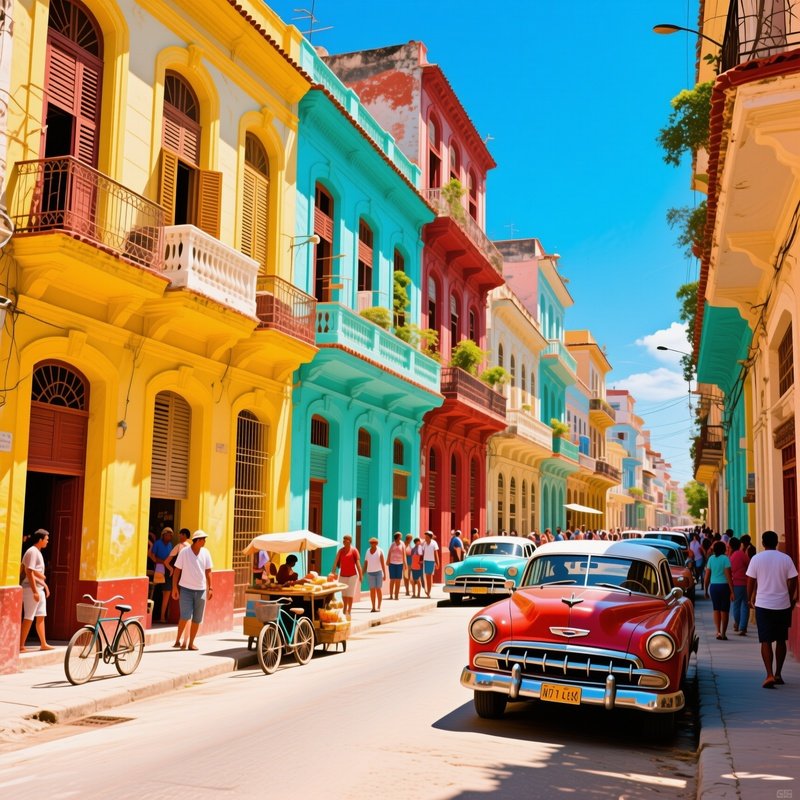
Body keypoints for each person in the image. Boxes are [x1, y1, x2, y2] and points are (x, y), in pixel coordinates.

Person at [747, 530, 798, 688]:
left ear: (763, 543)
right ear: (776, 543)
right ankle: (778, 674)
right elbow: (794, 579)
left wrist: (750, 598)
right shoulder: (786, 559)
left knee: (766, 641)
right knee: (781, 639)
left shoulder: (756, 559)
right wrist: (790, 597)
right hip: (782, 604)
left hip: (763, 605)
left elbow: (751, 581)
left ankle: (769, 674)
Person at [171, 530, 214, 651]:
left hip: (201, 590)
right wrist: (175, 587)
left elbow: (208, 571)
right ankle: (178, 639)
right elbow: (177, 570)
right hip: (186, 590)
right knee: (185, 616)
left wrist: (210, 587)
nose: (205, 541)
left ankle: (191, 643)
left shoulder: (206, 553)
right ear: (198, 540)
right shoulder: (184, 552)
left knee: (197, 619)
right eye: (203, 539)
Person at [19, 529, 54, 652]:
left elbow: (33, 572)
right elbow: (29, 571)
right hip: (30, 589)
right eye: (46, 539)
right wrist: (34, 591)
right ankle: (21, 645)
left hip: (38, 588)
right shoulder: (33, 552)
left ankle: (43, 643)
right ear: (40, 539)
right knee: (29, 616)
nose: (47, 541)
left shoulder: (37, 552)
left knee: (41, 616)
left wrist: (44, 584)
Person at [705, 540, 734, 640]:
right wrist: (732, 591)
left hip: (714, 587)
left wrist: (705, 589)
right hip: (724, 587)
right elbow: (728, 576)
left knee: (716, 609)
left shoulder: (711, 559)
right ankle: (724, 633)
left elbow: (707, 576)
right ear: (723, 549)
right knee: (724, 610)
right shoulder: (725, 559)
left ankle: (717, 631)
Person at [149, 527, 174, 624]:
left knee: (167, 592)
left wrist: (166, 563)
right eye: (168, 534)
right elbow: (153, 557)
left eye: (171, 535)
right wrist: (163, 562)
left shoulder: (170, 545)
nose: (170, 536)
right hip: (158, 569)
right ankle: (152, 615)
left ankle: (162, 616)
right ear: (163, 535)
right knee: (154, 592)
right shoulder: (158, 543)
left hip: (167, 570)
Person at [728, 537, 750, 635]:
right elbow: (750, 565)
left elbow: (729, 571)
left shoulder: (731, 557)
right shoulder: (743, 555)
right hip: (745, 583)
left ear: (731, 546)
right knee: (745, 605)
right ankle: (743, 627)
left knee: (736, 605)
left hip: (736, 584)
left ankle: (737, 623)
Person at [363, 537, 387, 612]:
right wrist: (362, 573)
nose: (372, 544)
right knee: (372, 590)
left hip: (378, 572)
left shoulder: (380, 551)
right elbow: (366, 563)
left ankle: (378, 606)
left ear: (377, 543)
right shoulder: (367, 551)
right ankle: (373, 607)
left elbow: (383, 563)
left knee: (378, 589)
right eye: (371, 543)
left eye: (374, 542)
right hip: (370, 573)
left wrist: (384, 573)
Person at [387, 532, 406, 601]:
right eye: (400, 536)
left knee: (398, 580)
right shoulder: (393, 544)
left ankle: (396, 595)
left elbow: (404, 554)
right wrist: (387, 561)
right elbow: (389, 553)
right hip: (392, 564)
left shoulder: (402, 544)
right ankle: (391, 595)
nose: (401, 537)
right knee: (392, 580)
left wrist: (405, 564)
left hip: (400, 564)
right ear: (397, 537)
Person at [422, 530, 439, 598]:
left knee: (429, 577)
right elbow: (423, 553)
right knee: (426, 577)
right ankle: (427, 591)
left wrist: (438, 563)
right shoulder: (424, 544)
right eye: (425, 536)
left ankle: (428, 592)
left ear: (430, 537)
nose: (425, 538)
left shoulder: (434, 543)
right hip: (426, 561)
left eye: (426, 537)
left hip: (432, 562)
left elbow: (436, 554)